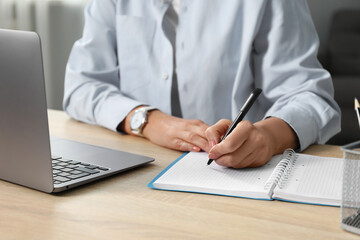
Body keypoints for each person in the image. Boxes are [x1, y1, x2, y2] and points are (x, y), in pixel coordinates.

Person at [63, 0, 341, 169]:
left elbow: (312, 98)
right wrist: (147, 120)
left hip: (237, 180)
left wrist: (268, 137)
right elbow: (81, 85)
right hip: (140, 174)